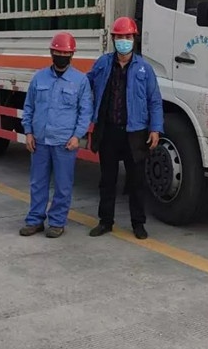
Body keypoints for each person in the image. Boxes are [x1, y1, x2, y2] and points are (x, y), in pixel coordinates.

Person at [87, 16, 163, 240]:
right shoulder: (103, 64)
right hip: (109, 130)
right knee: (107, 180)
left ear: (134, 39)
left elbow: (154, 101)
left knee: (136, 182)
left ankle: (138, 223)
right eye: (120, 37)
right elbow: (86, 84)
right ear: (113, 39)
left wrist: (155, 129)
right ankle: (105, 221)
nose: (124, 41)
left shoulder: (144, 69)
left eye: (128, 37)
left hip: (135, 133)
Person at [19, 32, 93, 238]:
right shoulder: (39, 78)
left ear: (72, 55)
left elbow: (85, 112)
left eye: (65, 53)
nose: (61, 56)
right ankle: (35, 221)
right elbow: (29, 107)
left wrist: (77, 136)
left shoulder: (80, 81)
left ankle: (57, 222)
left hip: (65, 143)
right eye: (57, 53)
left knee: (63, 185)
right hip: (40, 141)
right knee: (37, 183)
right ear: (51, 53)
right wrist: (28, 132)